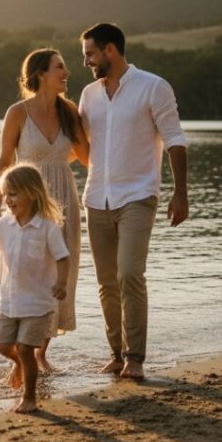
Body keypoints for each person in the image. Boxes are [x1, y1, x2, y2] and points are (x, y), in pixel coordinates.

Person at [79, 23, 188, 380]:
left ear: (111, 50)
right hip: (96, 198)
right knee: (107, 282)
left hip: (138, 196)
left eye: (90, 54)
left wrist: (180, 192)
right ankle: (116, 353)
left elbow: (174, 140)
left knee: (129, 274)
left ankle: (136, 356)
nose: (86, 62)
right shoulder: (89, 95)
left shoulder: (153, 87)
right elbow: (79, 145)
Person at [0, 48, 89, 373]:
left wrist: (56, 162)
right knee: (25, 273)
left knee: (60, 273)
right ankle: (20, 350)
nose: (66, 73)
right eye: (60, 67)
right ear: (40, 74)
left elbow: (87, 157)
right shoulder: (17, 112)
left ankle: (38, 353)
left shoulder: (69, 111)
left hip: (63, 201)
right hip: (24, 203)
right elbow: (4, 163)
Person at [0, 163, 69, 413]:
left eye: (13, 194)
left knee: (26, 348)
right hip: (9, 301)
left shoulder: (47, 227)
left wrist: (61, 282)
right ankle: (18, 363)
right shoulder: (3, 225)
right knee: (4, 346)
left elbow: (63, 257)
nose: (7, 200)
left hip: (38, 303)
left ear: (31, 193)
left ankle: (29, 397)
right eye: (5, 194)